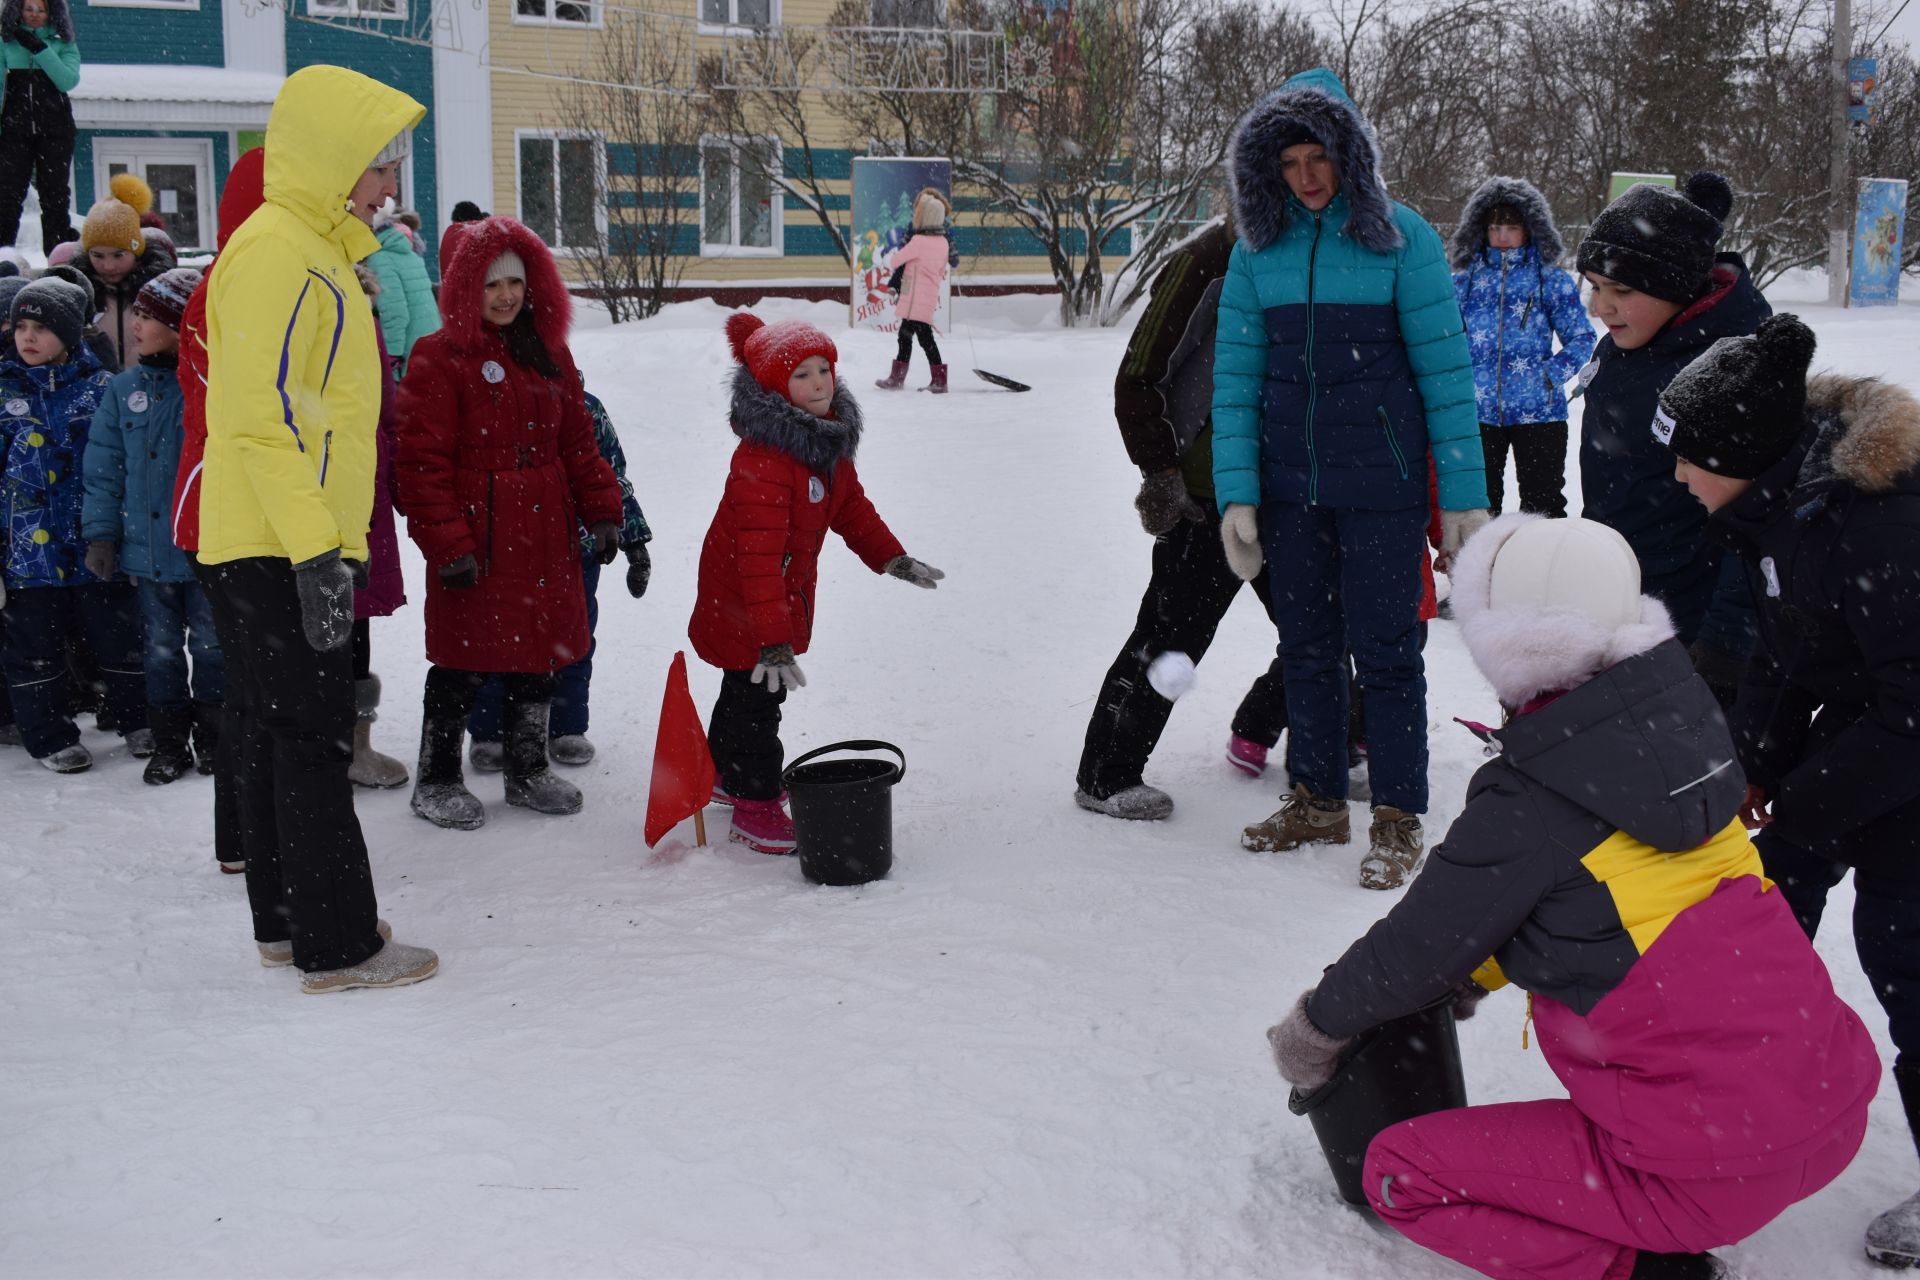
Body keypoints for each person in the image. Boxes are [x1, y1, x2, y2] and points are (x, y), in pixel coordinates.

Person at [1267, 513, 1879, 1280]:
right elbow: (1623, 906)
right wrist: (1477, 974)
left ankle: (1648, 1271)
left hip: (1708, 1169)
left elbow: (1414, 948)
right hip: (1829, 1112)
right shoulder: (1680, 737)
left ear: (1508, 639)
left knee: (1398, 1173)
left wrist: (1316, 1028)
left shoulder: (1533, 797)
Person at [1656, 314, 1920, 1268]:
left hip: (1906, 757)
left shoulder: (1883, 518)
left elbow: (1912, 707)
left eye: (1691, 461)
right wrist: (1757, 765)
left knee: (1907, 963)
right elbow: (1786, 650)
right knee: (1761, 920)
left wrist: (1808, 804)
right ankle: (1734, 1111)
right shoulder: (1779, 508)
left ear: (1740, 453)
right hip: (1863, 745)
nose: (1680, 479)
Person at [1211, 67, 1489, 889]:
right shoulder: (1256, 254)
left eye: (1320, 156)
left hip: (1383, 488)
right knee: (1305, 649)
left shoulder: (1403, 240)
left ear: (1351, 156)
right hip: (1293, 491)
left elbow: (1447, 373)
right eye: (1290, 160)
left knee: (1389, 652)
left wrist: (1464, 496)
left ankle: (1398, 814)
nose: (1306, 176)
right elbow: (1235, 383)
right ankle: (1318, 798)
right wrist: (1239, 494)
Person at [194, 64, 436, 994]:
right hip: (273, 542)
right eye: (377, 167)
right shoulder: (275, 252)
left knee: (271, 731)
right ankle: (339, 947)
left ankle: (290, 927)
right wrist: (314, 552)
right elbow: (254, 418)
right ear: (335, 161)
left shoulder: (319, 248)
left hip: (282, 537)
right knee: (307, 739)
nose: (388, 188)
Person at [395, 215, 623, 831]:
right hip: (478, 535)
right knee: (462, 662)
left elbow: (580, 443)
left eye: (515, 283)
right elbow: (420, 463)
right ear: (467, 288)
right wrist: (447, 543)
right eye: (491, 284)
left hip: (544, 528)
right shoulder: (438, 357)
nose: (504, 296)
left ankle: (527, 770)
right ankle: (437, 779)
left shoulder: (549, 353)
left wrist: (604, 510)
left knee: (539, 656)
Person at [692, 311, 944, 853]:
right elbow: (757, 562)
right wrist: (773, 640)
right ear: (775, 390)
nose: (817, 384)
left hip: (764, 599)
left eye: (823, 370)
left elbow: (851, 511)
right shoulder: (763, 463)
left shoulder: (824, 446)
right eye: (800, 375)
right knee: (760, 699)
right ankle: (755, 806)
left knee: (741, 693)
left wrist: (892, 558)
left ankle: (721, 773)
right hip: (746, 600)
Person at [1073, 216, 1290, 821]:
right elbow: (1140, 374)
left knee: (1320, 632)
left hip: (1292, 492)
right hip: (1205, 496)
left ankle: (1327, 758)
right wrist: (1163, 473)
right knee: (1171, 642)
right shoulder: (1208, 261)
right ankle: (1106, 776)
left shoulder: (1323, 262)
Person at [1575, 171, 1764, 702]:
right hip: (1621, 592)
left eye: (1621, 289)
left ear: (1676, 288)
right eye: (1595, 285)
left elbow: (1754, 523)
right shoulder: (1635, 339)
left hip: (1688, 619)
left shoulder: (1732, 369)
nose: (1600, 306)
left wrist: (1725, 644)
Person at [79, 266, 217, 785]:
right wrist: (102, 535)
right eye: (134, 312)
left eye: (148, 316)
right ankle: (168, 743)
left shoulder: (206, 386)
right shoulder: (123, 389)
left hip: (203, 551)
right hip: (147, 554)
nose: (135, 324)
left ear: (182, 328)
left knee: (210, 648)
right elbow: (103, 468)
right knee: (159, 652)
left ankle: (213, 738)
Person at [467, 384, 651, 771]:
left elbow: (612, 475)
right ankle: (489, 730)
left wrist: (634, 540)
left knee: (573, 637)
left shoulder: (584, 407)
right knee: (498, 637)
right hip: (504, 548)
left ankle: (566, 727)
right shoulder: (489, 402)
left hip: (575, 550)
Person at [0, 276, 140, 772]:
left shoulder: (102, 388)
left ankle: (135, 718)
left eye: (41, 327)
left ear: (70, 333)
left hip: (94, 546)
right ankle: (49, 734)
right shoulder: (4, 394)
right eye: (21, 326)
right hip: (27, 556)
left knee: (117, 636)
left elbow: (125, 464)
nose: (28, 337)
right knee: (33, 648)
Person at [172, 145, 263, 874]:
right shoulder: (232, 287)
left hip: (227, 508)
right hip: (226, 513)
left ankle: (242, 837)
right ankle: (243, 837)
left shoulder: (231, 280)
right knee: (248, 689)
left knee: (248, 687)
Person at [1449, 176, 1594, 518]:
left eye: (1511, 228)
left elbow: (1582, 337)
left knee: (1542, 506)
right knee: (1479, 509)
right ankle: (1482, 571)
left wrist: (1549, 376)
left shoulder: (1551, 280)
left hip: (1540, 414)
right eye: (1494, 227)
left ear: (1529, 229)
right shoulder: (1463, 281)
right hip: (1477, 414)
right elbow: (1442, 340)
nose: (1501, 236)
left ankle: (1541, 571)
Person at [344, 262, 411, 790]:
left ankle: (353, 747)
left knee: (353, 621)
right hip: (317, 485)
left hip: (363, 487)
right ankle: (320, 748)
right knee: (316, 624)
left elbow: (387, 410)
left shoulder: (363, 312)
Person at [76, 175, 178, 370]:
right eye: (98, 255)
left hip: (153, 387)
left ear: (136, 251)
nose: (108, 265)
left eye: (118, 255)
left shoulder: (160, 292)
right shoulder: (79, 294)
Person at [0, 0, 77, 256]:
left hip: (56, 129)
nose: (34, 15)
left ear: (51, 12)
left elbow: (67, 80)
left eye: (41, 10)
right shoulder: (6, 41)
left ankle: (57, 258)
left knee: (54, 196)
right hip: (14, 129)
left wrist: (40, 48)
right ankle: (3, 255)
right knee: (8, 194)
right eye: (29, 9)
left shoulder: (63, 42)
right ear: (18, 10)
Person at [874, 187, 954, 394]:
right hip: (925, 298)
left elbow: (896, 260)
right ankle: (899, 378)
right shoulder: (943, 242)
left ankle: (937, 380)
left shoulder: (919, 241)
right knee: (905, 335)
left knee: (924, 339)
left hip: (915, 300)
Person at [366, 207, 440, 375]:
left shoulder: (380, 258)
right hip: (430, 344)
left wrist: (392, 358)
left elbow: (395, 313)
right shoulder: (410, 254)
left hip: (410, 353)